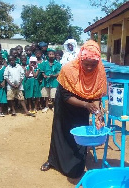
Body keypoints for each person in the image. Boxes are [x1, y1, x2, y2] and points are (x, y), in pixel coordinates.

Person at [40, 40, 107, 178]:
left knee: (79, 136)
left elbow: (96, 95)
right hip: (66, 105)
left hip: (83, 108)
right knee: (61, 132)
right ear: (80, 60)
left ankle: (76, 166)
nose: (89, 68)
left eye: (93, 65)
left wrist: (97, 111)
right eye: (86, 64)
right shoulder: (68, 70)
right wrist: (86, 105)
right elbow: (65, 96)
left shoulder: (99, 72)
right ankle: (53, 160)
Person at [39, 49, 61, 113]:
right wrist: (44, 75)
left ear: (54, 55)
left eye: (52, 54)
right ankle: (46, 106)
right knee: (46, 95)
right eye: (50, 54)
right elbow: (42, 71)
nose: (51, 55)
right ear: (48, 55)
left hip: (54, 81)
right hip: (46, 82)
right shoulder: (44, 63)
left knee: (53, 95)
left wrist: (53, 75)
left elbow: (59, 72)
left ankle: (54, 106)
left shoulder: (57, 63)